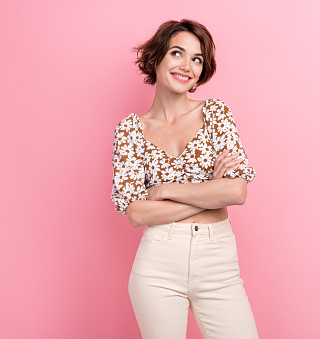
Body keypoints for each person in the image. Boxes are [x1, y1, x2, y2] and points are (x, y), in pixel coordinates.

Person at [111, 19, 259, 339]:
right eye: (177, 53)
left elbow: (236, 191)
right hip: (158, 263)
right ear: (156, 59)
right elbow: (136, 213)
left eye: (197, 58)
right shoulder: (130, 130)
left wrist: (164, 191)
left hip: (217, 262)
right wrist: (209, 192)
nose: (187, 66)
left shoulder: (215, 113)